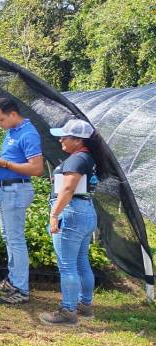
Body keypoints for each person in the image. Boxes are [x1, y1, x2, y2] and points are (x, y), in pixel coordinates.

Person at [39, 119, 100, 327]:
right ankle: (85, 305)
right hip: (86, 211)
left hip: (71, 213)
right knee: (82, 260)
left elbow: (67, 189)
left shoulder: (76, 160)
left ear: (78, 140)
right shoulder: (88, 158)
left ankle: (68, 312)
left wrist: (54, 215)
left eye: (65, 136)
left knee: (67, 265)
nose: (60, 139)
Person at [0, 97, 44, 304]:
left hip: (16, 190)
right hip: (7, 189)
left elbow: (37, 169)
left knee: (16, 240)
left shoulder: (28, 134)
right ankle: (13, 280)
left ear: (12, 114)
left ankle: (21, 289)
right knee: (8, 237)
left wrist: (4, 163)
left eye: (0, 120)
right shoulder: (12, 132)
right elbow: (13, 159)